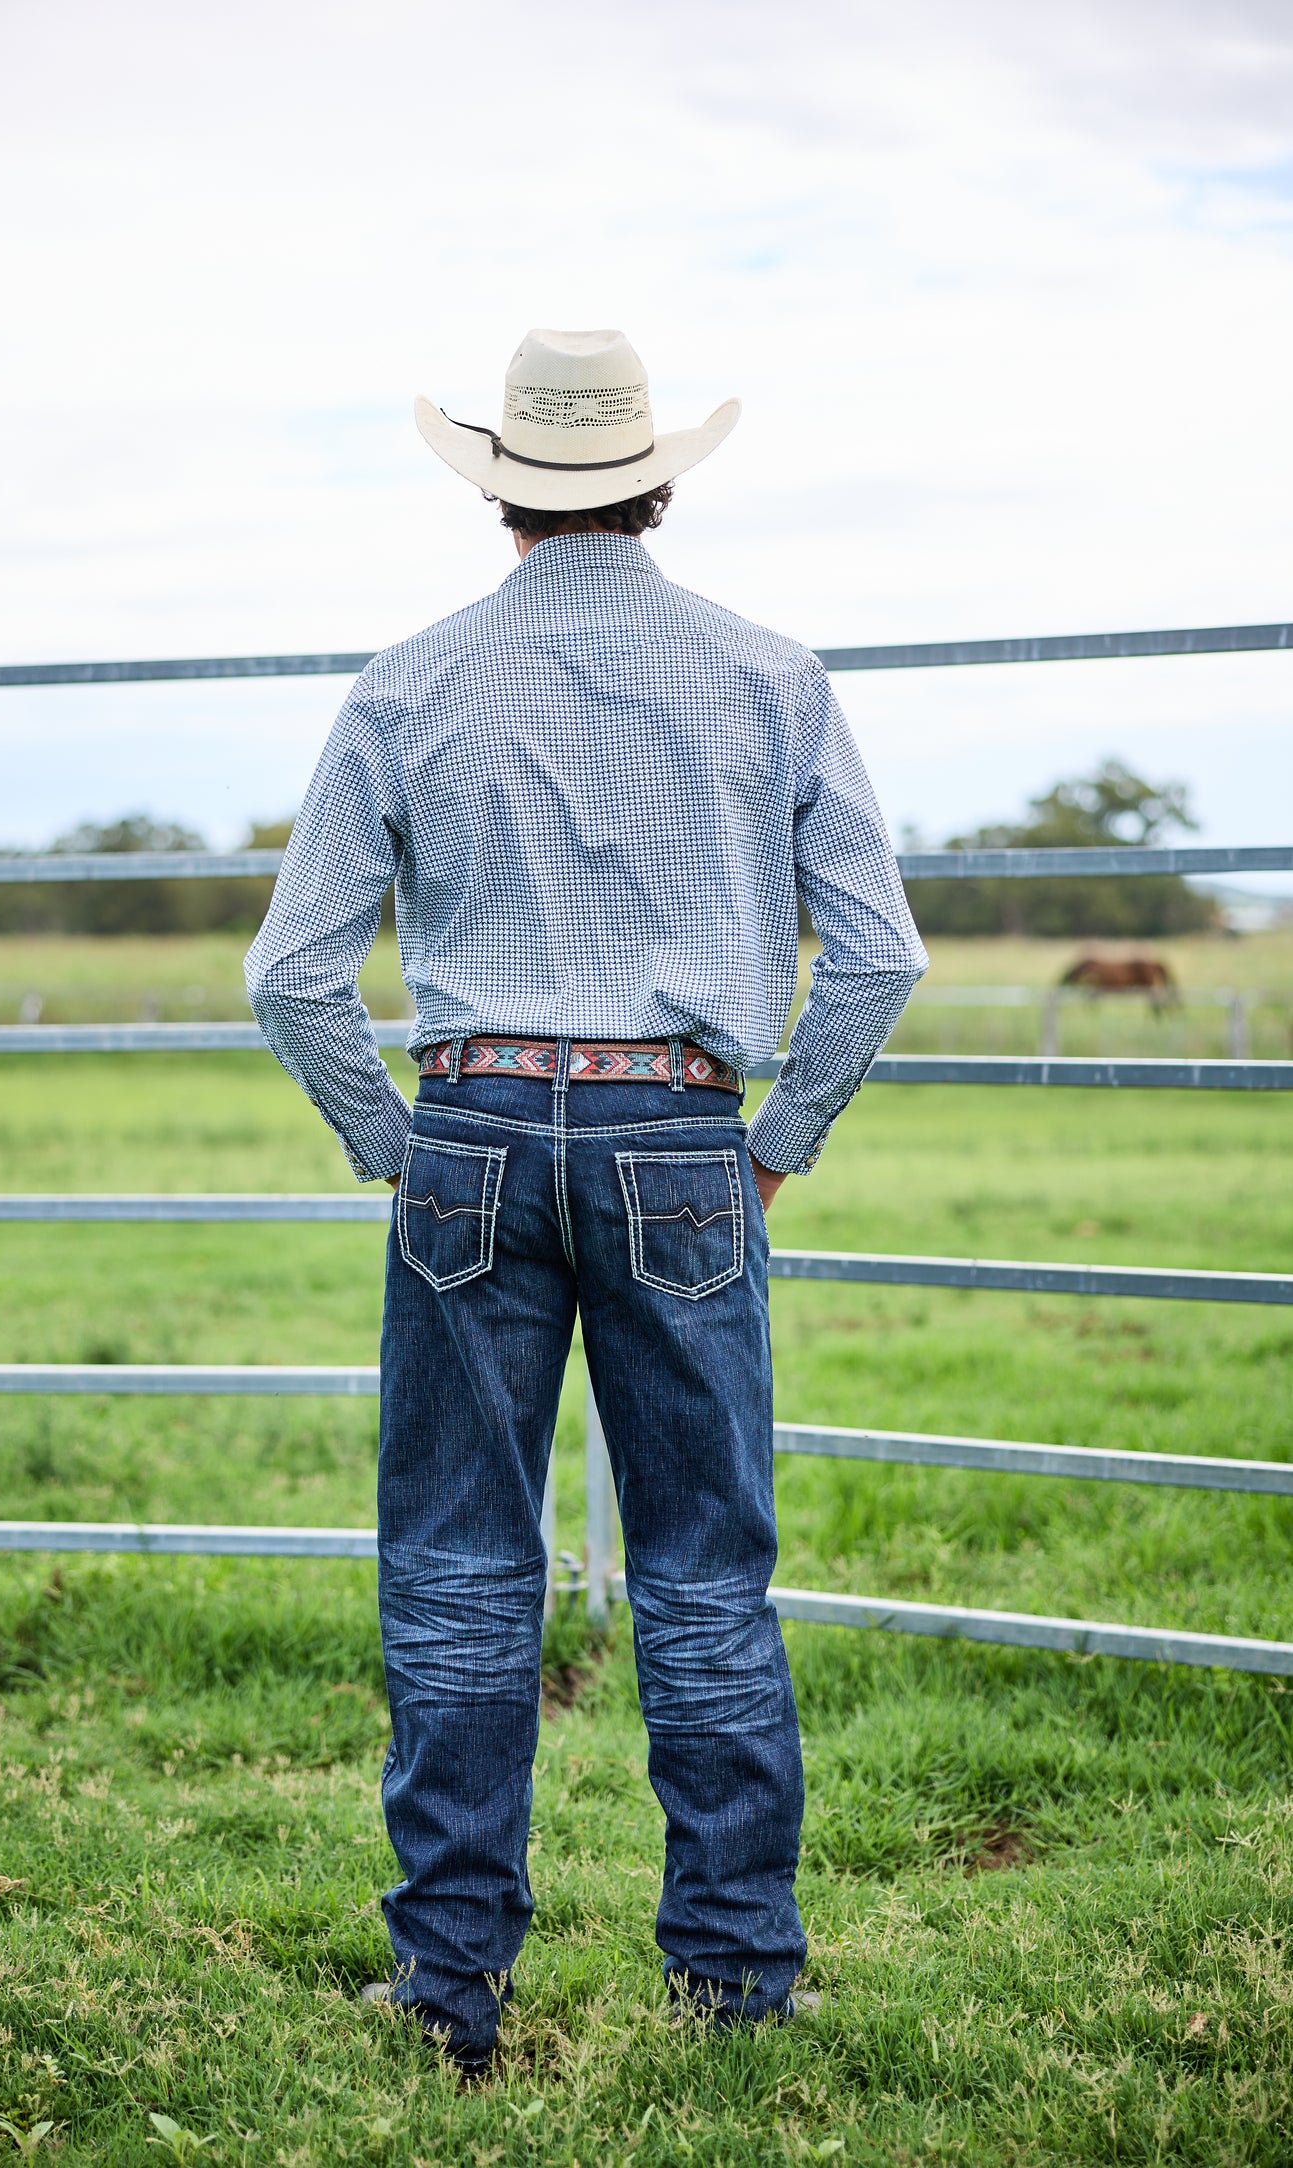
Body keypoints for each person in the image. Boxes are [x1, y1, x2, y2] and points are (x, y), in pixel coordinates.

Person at [246, 328, 927, 2071]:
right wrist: (773, 1146)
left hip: (470, 1128)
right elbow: (877, 955)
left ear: (497, 496)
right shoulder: (769, 677)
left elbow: (296, 979)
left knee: (460, 1574)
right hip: (679, 1133)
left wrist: (405, 1152)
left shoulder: (407, 684)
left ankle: (446, 1992)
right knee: (705, 1574)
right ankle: (736, 1980)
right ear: (660, 480)